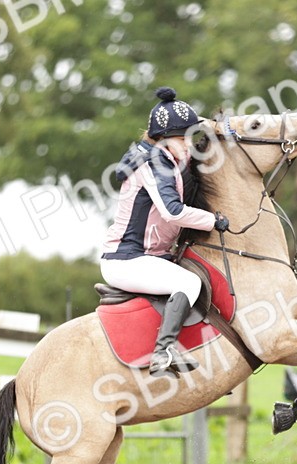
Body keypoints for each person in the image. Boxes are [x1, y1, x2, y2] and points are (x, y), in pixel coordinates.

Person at [100, 86, 230, 376]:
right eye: (183, 137)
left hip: (146, 257)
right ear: (164, 138)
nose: (188, 144)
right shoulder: (154, 163)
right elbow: (173, 210)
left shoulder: (166, 157)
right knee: (189, 284)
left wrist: (215, 127)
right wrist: (213, 221)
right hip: (127, 260)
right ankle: (163, 352)